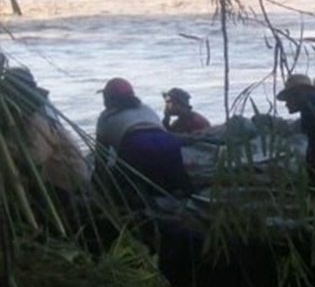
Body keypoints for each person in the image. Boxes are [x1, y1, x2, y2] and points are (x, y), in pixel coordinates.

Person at [2, 67, 89, 198]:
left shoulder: (37, 119)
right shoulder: (23, 115)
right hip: (48, 175)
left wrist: (7, 150)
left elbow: (36, 156)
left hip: (65, 178)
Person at [94, 77, 190, 194]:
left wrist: (96, 184)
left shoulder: (105, 118)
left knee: (119, 183)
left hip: (137, 147)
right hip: (169, 144)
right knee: (172, 184)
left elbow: (101, 158)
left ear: (109, 99)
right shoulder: (145, 108)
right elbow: (162, 130)